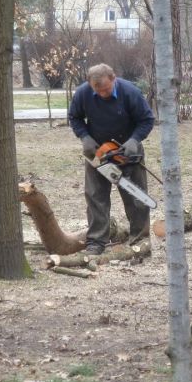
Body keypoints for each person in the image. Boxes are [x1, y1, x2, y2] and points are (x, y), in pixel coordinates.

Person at [68, 63, 155, 255]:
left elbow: (147, 120)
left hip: (127, 151)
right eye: (97, 90)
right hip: (98, 152)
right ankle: (96, 241)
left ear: (113, 78)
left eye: (106, 89)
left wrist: (134, 140)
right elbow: (74, 117)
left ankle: (140, 240)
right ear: (90, 84)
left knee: (136, 197)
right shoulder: (83, 94)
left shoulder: (130, 92)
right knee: (95, 196)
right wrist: (85, 137)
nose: (102, 94)